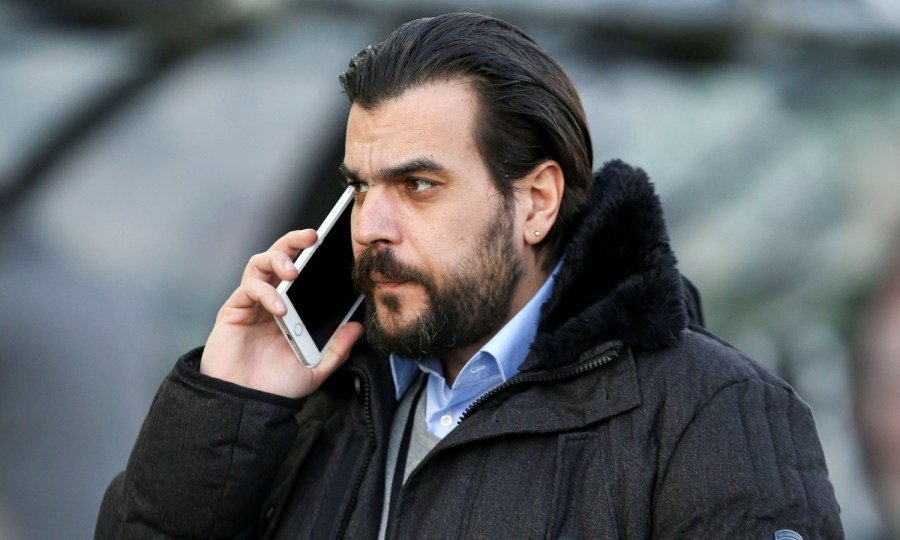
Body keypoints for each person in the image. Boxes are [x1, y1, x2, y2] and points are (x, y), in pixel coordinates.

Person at [96, 12, 843, 539]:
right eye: (359, 187)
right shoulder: (310, 404)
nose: (371, 226)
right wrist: (230, 408)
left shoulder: (708, 412)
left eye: (418, 184)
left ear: (536, 202)